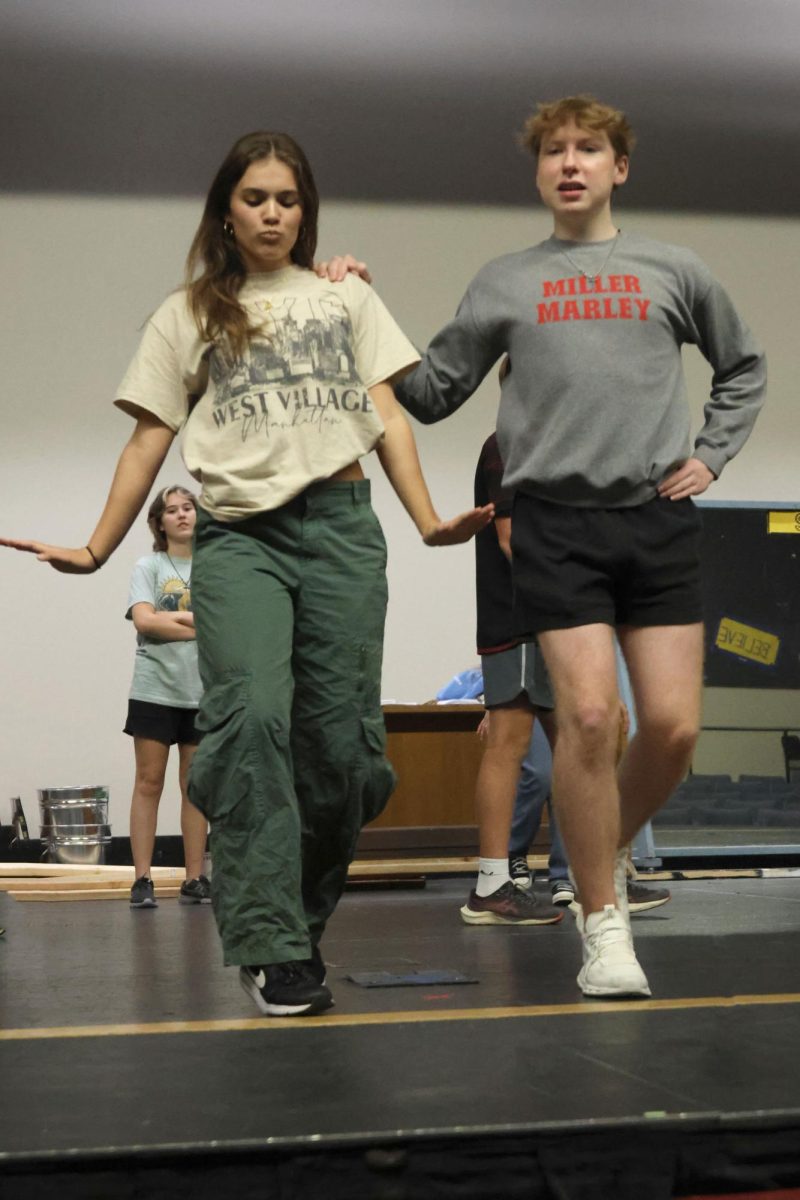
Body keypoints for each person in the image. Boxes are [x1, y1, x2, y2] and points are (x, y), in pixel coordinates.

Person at [1, 130, 492, 1018]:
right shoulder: (187, 312)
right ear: (226, 209)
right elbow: (150, 436)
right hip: (241, 538)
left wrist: (427, 519)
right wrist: (97, 547)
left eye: (289, 200)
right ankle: (270, 943)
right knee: (253, 720)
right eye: (256, 197)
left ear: (307, 212)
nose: (273, 213)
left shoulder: (346, 297)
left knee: (343, 751)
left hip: (343, 528)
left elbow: (389, 417)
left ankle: (293, 927)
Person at [390, 95, 766, 997]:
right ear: (539, 173)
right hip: (554, 523)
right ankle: (605, 925)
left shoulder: (672, 269)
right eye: (554, 151)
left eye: (588, 149)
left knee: (670, 732)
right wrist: (360, 311)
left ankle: (585, 849)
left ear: (618, 168)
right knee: (593, 721)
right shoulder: (505, 280)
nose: (570, 163)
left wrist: (711, 455)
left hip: (656, 518)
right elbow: (434, 391)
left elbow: (743, 366)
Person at [125, 485, 209, 909]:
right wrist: (197, 622)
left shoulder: (217, 566)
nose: (181, 515)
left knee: (194, 786)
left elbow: (227, 622)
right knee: (149, 782)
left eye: (188, 507)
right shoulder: (149, 565)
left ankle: (195, 878)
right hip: (155, 689)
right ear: (159, 522)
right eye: (171, 510)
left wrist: (168, 616)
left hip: (201, 691)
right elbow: (144, 621)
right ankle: (143, 879)